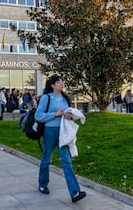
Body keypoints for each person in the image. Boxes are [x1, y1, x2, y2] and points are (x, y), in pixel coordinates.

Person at [35, 75, 86, 203]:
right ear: (52, 85)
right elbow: (39, 115)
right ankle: (42, 184)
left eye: (62, 81)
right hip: (49, 131)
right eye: (58, 82)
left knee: (66, 161)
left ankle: (75, 192)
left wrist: (69, 116)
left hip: (63, 132)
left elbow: (69, 113)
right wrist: (54, 114)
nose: (61, 83)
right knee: (46, 158)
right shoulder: (46, 98)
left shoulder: (65, 98)